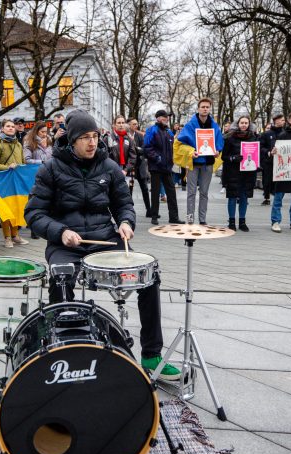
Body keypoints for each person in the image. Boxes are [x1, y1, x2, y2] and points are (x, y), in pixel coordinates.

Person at [24, 109, 180, 381]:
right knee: (61, 277)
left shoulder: (108, 166)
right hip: (66, 243)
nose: (92, 142)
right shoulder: (50, 168)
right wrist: (60, 232)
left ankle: (152, 354)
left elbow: (124, 204)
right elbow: (34, 213)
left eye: (94, 136)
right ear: (71, 140)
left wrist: (126, 222)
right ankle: (65, 352)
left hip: (104, 240)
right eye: (84, 137)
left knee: (149, 275)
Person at [174, 98, 223, 225]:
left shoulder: (214, 125)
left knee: (204, 193)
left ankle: (202, 219)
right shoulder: (190, 125)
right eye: (203, 107)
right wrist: (191, 152)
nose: (205, 109)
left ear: (210, 108)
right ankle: (190, 219)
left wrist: (217, 151)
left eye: (207, 107)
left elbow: (219, 144)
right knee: (191, 193)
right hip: (193, 164)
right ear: (198, 108)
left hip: (208, 164)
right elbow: (179, 144)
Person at [0, 119, 28, 248]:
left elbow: (22, 162)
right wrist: (7, 167)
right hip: (3, 183)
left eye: (12, 126)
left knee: (17, 207)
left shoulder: (18, 145)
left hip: (16, 182)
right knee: (5, 210)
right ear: (3, 128)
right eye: (8, 126)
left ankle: (15, 235)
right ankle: (7, 238)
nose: (11, 128)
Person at [144, 110, 183, 225]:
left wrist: (172, 161)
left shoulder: (169, 132)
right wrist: (157, 158)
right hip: (156, 167)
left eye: (167, 117)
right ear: (157, 118)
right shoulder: (152, 130)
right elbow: (147, 148)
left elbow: (173, 148)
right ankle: (154, 216)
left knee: (171, 192)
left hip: (167, 167)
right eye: (163, 117)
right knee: (155, 193)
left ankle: (174, 217)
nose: (166, 119)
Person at [221, 116, 258, 232]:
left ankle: (242, 221)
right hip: (233, 172)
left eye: (246, 123)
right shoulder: (230, 137)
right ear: (237, 124)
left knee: (244, 197)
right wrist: (233, 158)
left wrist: (257, 163)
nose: (244, 125)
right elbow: (224, 157)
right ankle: (231, 221)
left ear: (249, 124)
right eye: (242, 123)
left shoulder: (254, 138)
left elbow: (257, 154)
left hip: (247, 173)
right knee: (232, 197)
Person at [259, 114, 285, 206]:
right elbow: (260, 147)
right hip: (268, 162)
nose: (284, 121)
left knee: (280, 180)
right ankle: (267, 197)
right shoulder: (266, 134)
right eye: (282, 120)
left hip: (282, 162)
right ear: (276, 121)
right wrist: (269, 152)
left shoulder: (285, 133)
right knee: (267, 180)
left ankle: (278, 197)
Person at [127, 116, 151, 216]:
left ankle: (149, 210)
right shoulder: (125, 136)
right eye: (134, 124)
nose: (136, 126)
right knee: (129, 190)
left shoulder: (140, 136)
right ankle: (129, 211)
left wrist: (137, 149)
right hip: (129, 166)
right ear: (128, 125)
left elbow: (144, 149)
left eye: (136, 124)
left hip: (140, 165)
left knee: (144, 188)